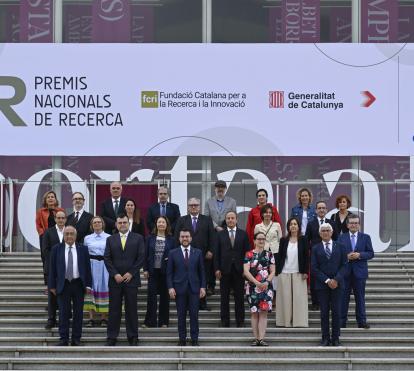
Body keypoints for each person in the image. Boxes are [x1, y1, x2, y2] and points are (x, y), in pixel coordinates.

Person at [104, 214, 145, 346]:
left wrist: (131, 273)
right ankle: (112, 336)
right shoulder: (110, 239)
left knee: (131, 309)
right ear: (116, 224)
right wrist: (115, 274)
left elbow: (141, 257)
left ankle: (133, 336)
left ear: (129, 223)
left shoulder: (138, 238)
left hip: (131, 280)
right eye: (120, 222)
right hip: (115, 280)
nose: (122, 225)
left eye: (124, 222)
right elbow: (107, 258)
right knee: (114, 309)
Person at [48, 226, 92, 346]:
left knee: (78, 314)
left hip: (78, 284)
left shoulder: (83, 249)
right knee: (63, 313)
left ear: (75, 236)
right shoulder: (56, 249)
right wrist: (51, 286)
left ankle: (76, 339)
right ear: (63, 235)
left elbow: (87, 268)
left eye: (71, 234)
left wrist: (88, 285)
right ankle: (63, 338)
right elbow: (52, 269)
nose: (69, 236)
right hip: (63, 285)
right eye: (66, 234)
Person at [175, 198, 216, 310]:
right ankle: (188, 304)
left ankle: (202, 304)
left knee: (202, 279)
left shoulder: (207, 220)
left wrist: (211, 250)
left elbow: (212, 237)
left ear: (199, 206)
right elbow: (176, 238)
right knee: (188, 279)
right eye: (191, 205)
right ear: (188, 207)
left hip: (203, 256)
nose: (193, 207)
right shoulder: (182, 220)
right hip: (186, 255)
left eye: (196, 205)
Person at [167, 228, 206, 346]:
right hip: (179, 289)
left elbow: (202, 271)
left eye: (187, 236)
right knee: (181, 315)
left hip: (194, 289)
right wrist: (170, 287)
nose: (185, 238)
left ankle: (194, 339)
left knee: (194, 315)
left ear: (191, 238)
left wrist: (203, 287)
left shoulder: (198, 252)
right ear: (179, 238)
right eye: (182, 236)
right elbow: (169, 272)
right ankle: (182, 339)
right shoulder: (173, 253)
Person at [311, 223, 348, 346]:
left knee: (337, 312)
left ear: (331, 233)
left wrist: (336, 280)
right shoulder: (315, 248)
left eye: (327, 230)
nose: (325, 232)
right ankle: (325, 338)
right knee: (324, 313)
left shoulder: (341, 247)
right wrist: (327, 280)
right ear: (320, 233)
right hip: (322, 286)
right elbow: (314, 268)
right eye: (323, 231)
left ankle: (336, 338)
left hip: (338, 285)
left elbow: (345, 265)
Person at [215, 211, 250, 327]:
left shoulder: (243, 234)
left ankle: (240, 321)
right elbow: (217, 253)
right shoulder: (220, 235)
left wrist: (246, 270)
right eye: (228, 218)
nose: (230, 220)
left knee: (239, 297)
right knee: (224, 298)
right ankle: (225, 322)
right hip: (224, 270)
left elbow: (247, 254)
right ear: (225, 220)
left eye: (232, 218)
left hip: (239, 271)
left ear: (236, 220)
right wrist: (217, 269)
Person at [338, 215, 374, 329]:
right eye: (351, 223)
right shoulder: (341, 237)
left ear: (359, 225)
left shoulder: (366, 237)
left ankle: (362, 321)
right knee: (343, 298)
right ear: (347, 225)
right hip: (345, 273)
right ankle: (341, 321)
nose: (353, 225)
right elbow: (337, 254)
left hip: (360, 273)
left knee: (360, 297)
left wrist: (360, 255)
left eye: (356, 223)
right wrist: (346, 256)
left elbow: (371, 253)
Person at [204, 180, 237, 295]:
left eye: (222, 187)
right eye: (218, 187)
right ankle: (211, 286)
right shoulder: (208, 202)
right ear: (215, 189)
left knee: (228, 258)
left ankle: (231, 286)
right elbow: (207, 218)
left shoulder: (232, 201)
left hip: (227, 233)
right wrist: (216, 227)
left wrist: (225, 227)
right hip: (213, 234)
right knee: (212, 260)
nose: (220, 189)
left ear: (225, 189)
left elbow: (233, 217)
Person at [276, 217, 309, 328]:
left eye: (295, 224)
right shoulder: (283, 240)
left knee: (299, 299)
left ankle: (299, 322)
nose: (293, 226)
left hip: (299, 273)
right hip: (284, 272)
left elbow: (306, 256)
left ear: (299, 226)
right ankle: (284, 322)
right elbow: (280, 256)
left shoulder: (304, 239)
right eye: (291, 224)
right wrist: (278, 271)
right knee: (285, 299)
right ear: (288, 227)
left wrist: (305, 271)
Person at [244, 232, 275, 346]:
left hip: (266, 287)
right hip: (252, 286)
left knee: (263, 312)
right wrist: (256, 282)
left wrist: (266, 281)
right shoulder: (249, 254)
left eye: (263, 239)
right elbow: (246, 271)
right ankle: (256, 338)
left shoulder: (269, 254)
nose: (261, 241)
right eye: (259, 239)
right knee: (254, 313)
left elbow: (273, 271)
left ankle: (261, 338)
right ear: (254, 240)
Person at [143, 216, 175, 328]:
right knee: (151, 297)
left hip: (166, 272)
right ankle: (149, 322)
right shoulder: (149, 238)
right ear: (156, 224)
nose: (161, 224)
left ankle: (163, 322)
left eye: (163, 222)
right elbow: (145, 255)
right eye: (159, 222)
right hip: (152, 271)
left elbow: (174, 256)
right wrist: (145, 269)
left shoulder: (172, 239)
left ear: (167, 225)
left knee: (164, 298)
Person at [305, 201, 337, 310]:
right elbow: (306, 240)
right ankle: (315, 302)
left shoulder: (332, 223)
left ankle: (330, 301)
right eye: (319, 208)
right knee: (315, 279)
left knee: (329, 277)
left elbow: (336, 239)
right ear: (316, 210)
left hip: (329, 256)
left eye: (323, 208)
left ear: (327, 210)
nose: (321, 210)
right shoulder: (311, 224)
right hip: (316, 256)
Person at [83, 216, 110, 327]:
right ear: (91, 225)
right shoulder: (87, 238)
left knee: (105, 287)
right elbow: (84, 253)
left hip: (105, 265)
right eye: (95, 222)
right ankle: (91, 318)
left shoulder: (109, 237)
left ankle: (104, 318)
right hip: (91, 265)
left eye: (99, 222)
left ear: (102, 224)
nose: (97, 224)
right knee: (91, 289)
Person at [42, 210, 67, 329]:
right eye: (59, 218)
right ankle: (51, 319)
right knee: (52, 295)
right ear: (55, 219)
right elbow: (45, 250)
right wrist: (55, 262)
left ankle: (64, 318)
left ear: (65, 219)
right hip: (52, 269)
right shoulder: (48, 232)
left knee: (65, 295)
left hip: (67, 269)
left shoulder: (70, 231)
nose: (61, 220)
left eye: (63, 218)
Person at [254, 204, 282, 299]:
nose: (268, 214)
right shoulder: (258, 226)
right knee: (264, 273)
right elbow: (256, 241)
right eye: (266, 212)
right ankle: (265, 294)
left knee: (276, 274)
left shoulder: (276, 225)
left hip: (276, 251)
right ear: (262, 214)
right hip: (263, 252)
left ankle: (275, 296)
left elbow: (280, 239)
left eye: (270, 213)